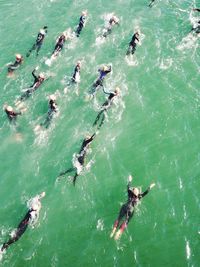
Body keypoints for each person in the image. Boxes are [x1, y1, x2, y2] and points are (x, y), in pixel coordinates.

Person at [110, 175, 155, 240]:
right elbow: (146, 192)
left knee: (119, 218)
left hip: (125, 206)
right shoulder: (139, 196)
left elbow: (128, 186)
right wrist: (150, 186)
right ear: (138, 193)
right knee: (126, 221)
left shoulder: (129, 192)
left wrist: (130, 180)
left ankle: (113, 231)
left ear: (132, 191)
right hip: (130, 210)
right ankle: (119, 232)